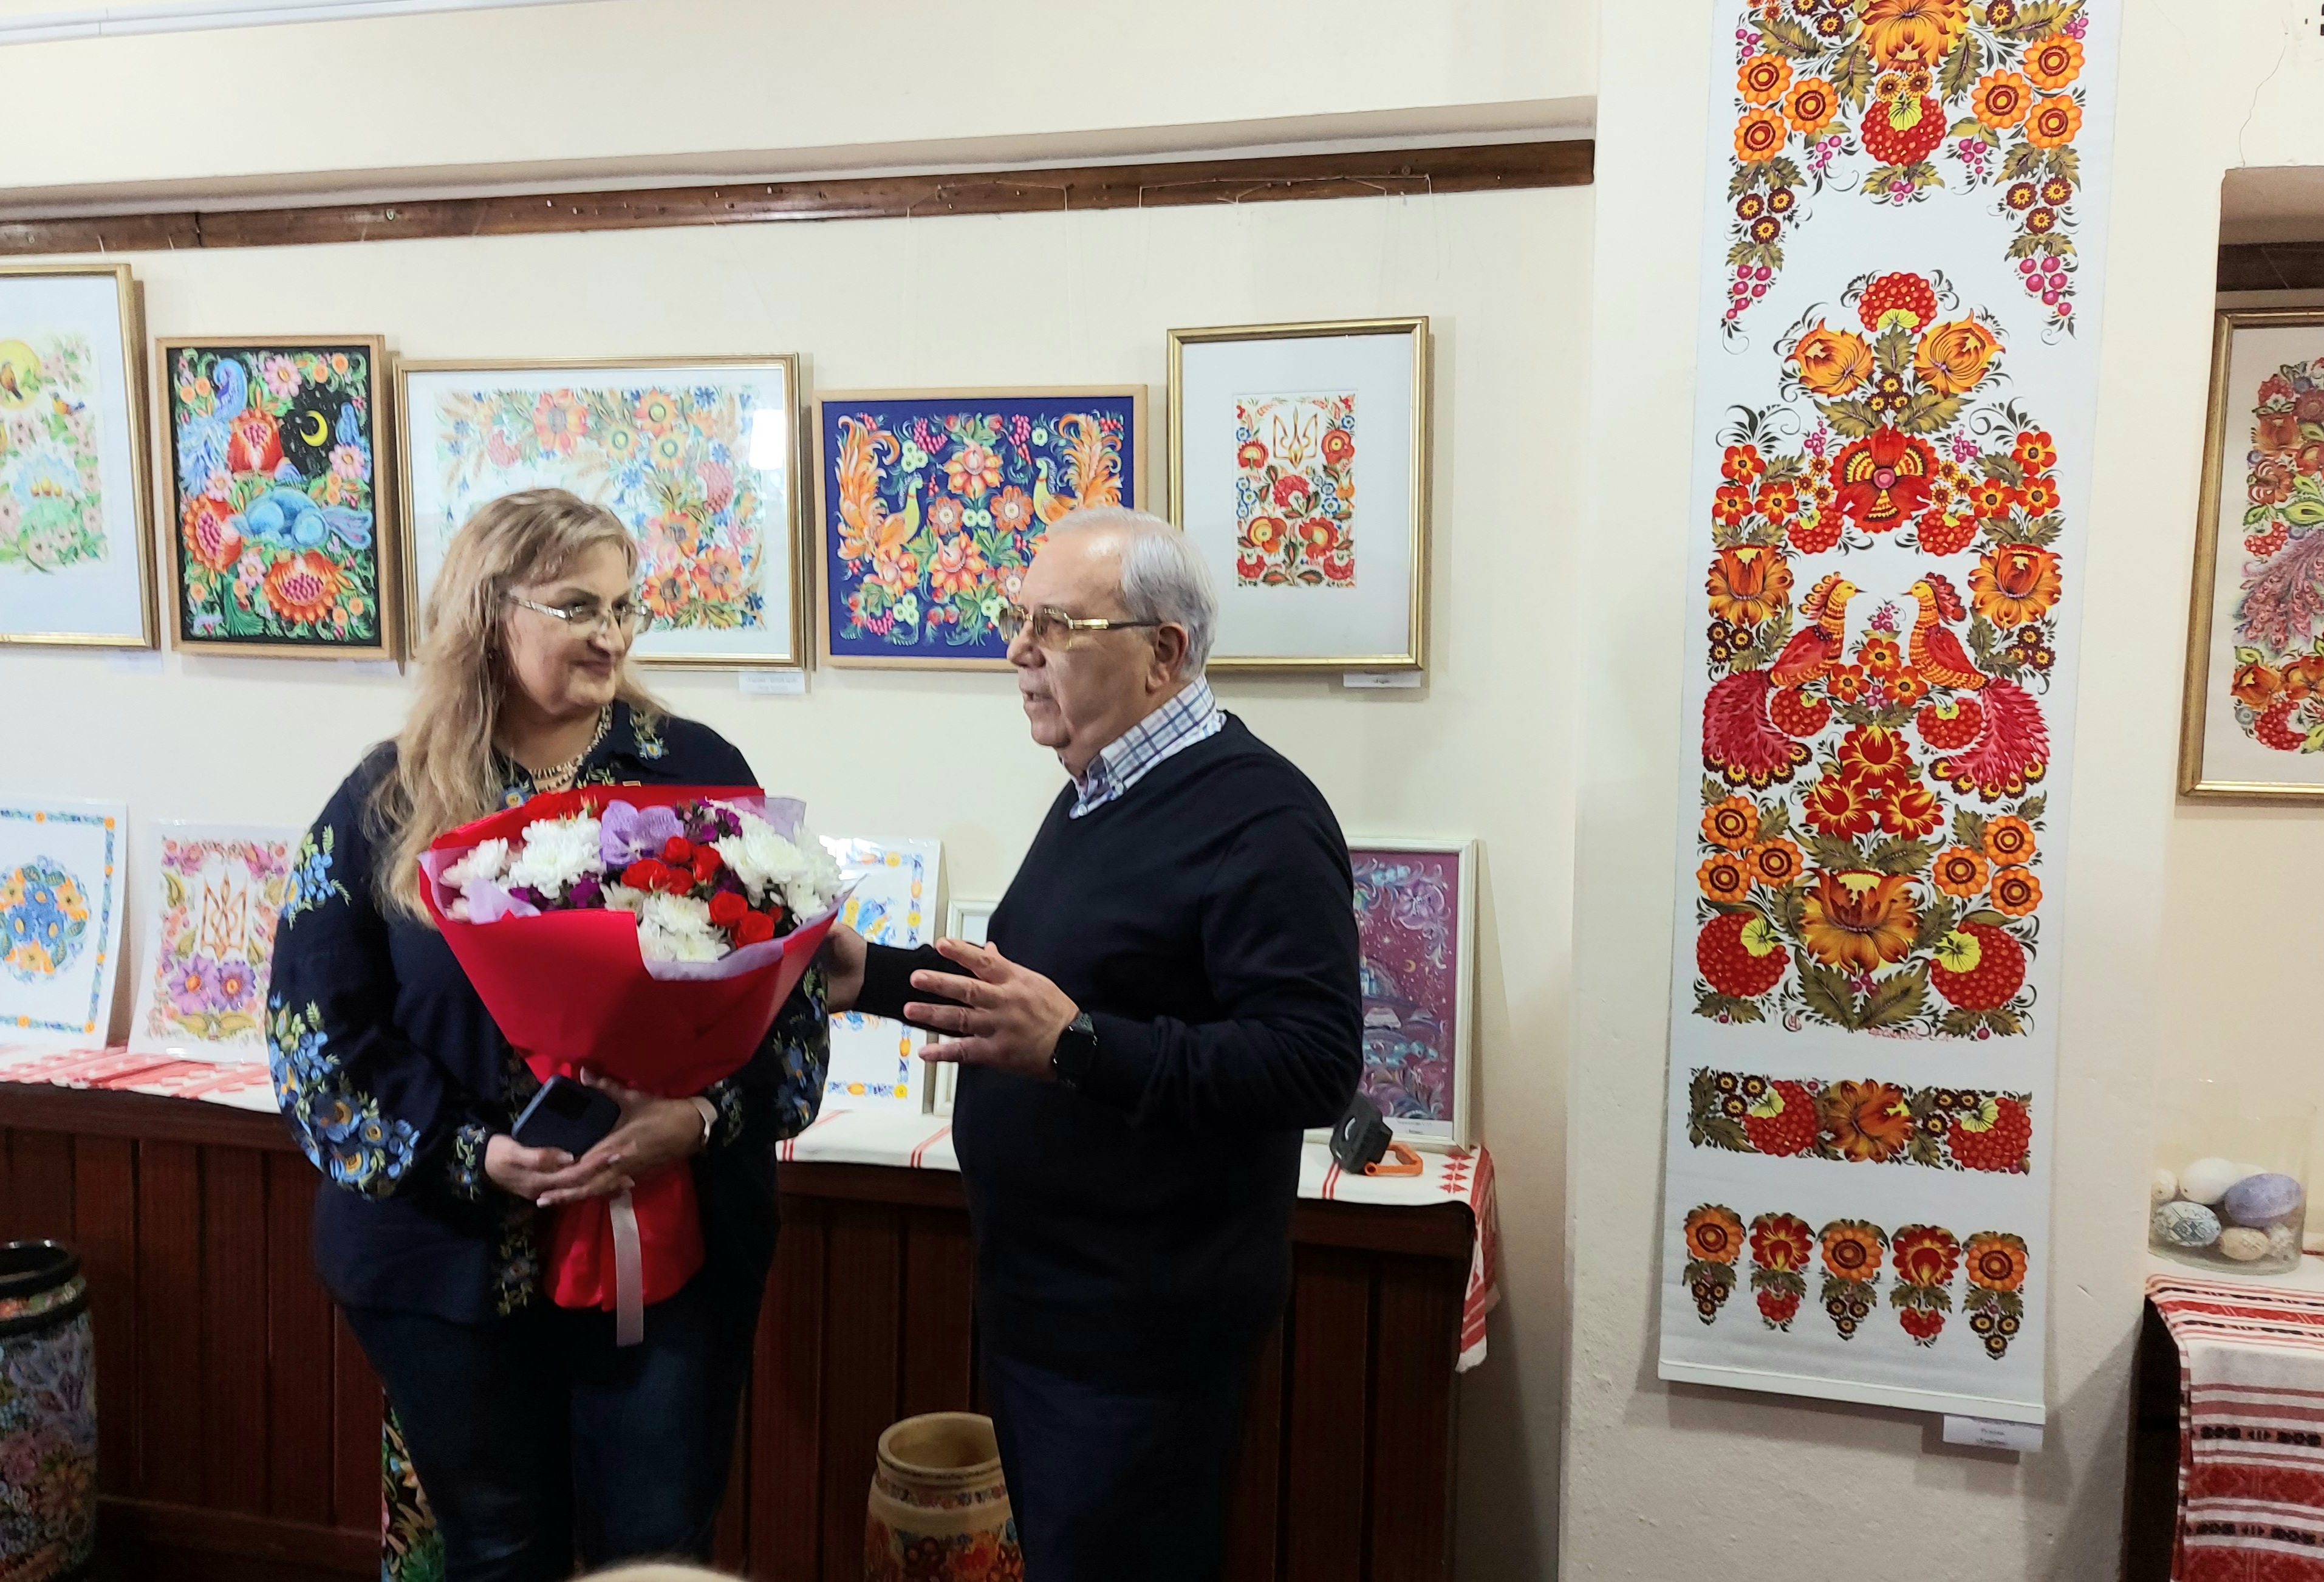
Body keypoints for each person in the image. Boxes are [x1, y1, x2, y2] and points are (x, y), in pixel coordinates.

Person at [267, 488, 830, 1582]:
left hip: (668, 1251)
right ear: (490, 614)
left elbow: (791, 1001)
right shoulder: (388, 799)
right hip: (443, 1260)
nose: (611, 635)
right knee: (499, 1552)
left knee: (653, 1549)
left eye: (624, 607)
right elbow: (316, 1037)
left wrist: (699, 1118)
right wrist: (473, 1154)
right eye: (578, 606)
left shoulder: (695, 774)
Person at [825, 505, 1362, 1581]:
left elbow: (1311, 1062)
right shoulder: (1100, 789)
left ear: (1163, 652)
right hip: (1050, 1309)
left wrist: (1077, 1048)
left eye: (1056, 626)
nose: (1018, 652)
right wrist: (866, 976)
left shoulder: (1259, 817)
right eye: (1016, 619)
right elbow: (1034, 1000)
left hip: (1143, 1336)